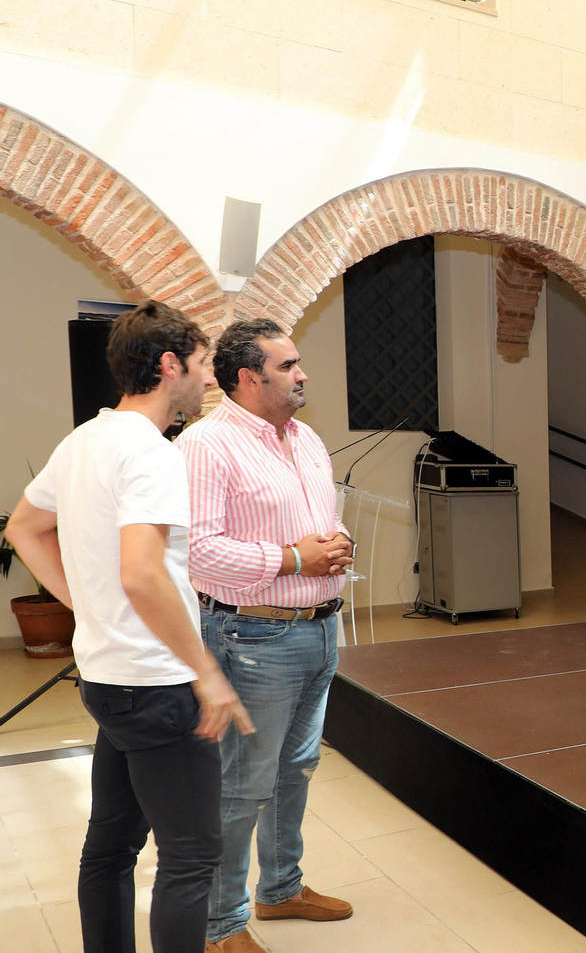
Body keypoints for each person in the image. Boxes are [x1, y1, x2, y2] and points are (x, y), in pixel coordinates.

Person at [4, 300, 254, 953]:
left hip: (110, 681)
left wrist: (86, 606)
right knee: (191, 857)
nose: (209, 378)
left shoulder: (85, 439)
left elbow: (23, 528)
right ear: (170, 365)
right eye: (202, 363)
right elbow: (142, 575)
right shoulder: (150, 452)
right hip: (157, 684)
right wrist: (207, 673)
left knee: (111, 847)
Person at [177, 317, 356, 953]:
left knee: (296, 768)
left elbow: (324, 520)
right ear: (248, 378)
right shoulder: (207, 445)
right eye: (287, 366)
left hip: (319, 628)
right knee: (243, 785)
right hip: (252, 637)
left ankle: (280, 890)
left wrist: (339, 544)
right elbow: (198, 550)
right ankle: (221, 927)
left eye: (297, 362)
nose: (302, 374)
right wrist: (294, 559)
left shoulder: (305, 438)